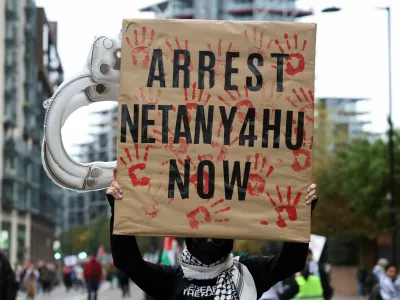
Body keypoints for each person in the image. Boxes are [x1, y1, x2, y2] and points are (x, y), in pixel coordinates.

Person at [106, 168, 319, 299]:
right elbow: (127, 261)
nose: (208, 242)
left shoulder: (248, 273)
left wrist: (300, 215)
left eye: (216, 238)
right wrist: (120, 211)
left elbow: (291, 262)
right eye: (200, 237)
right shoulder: (171, 279)